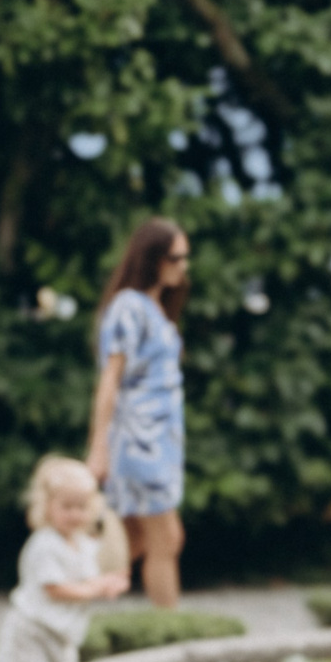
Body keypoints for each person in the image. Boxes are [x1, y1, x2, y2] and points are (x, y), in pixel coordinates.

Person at [87, 217, 191, 607]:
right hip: (138, 442)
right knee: (167, 538)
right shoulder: (128, 308)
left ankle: (74, 604)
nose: (184, 266)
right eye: (176, 257)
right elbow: (109, 381)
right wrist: (99, 448)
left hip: (159, 443)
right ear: (154, 259)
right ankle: (171, 638)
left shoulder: (152, 307)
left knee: (132, 541)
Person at [0, 455, 130, 662]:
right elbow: (54, 589)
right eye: (67, 507)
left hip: (60, 633)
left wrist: (108, 584)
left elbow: (92, 577)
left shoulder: (83, 544)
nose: (75, 514)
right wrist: (93, 591)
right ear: (47, 506)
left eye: (82, 507)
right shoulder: (44, 544)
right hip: (32, 629)